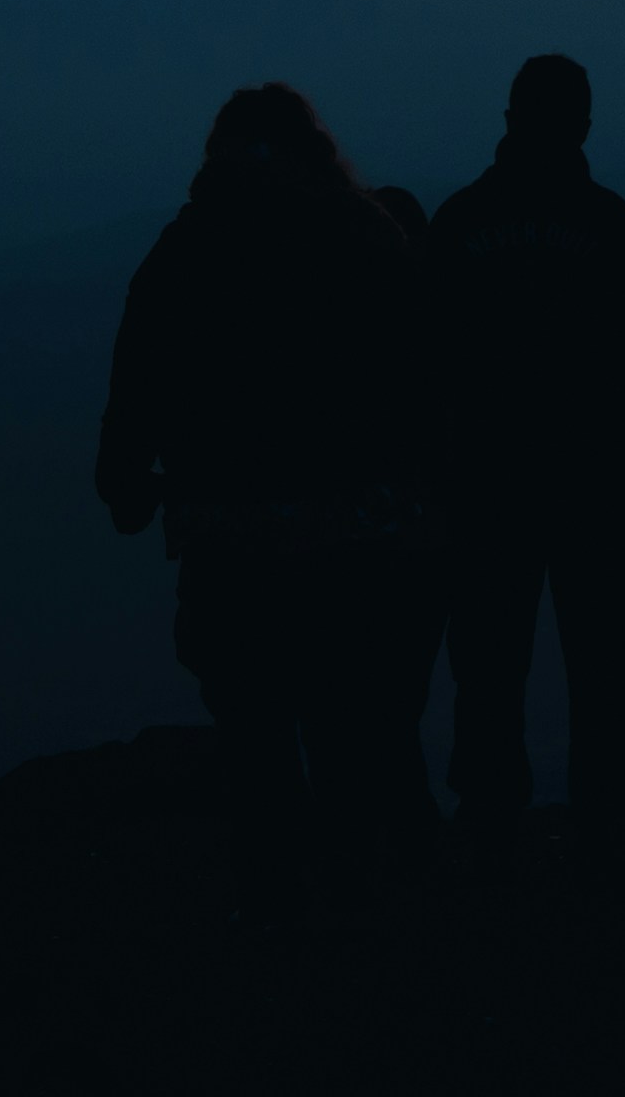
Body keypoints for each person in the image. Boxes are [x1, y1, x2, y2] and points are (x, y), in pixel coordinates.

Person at [93, 82, 434, 871]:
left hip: (231, 544)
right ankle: (376, 918)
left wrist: (124, 483)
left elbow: (135, 383)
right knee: (355, 738)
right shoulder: (366, 235)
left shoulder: (186, 249)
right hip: (364, 544)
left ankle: (284, 911)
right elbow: (426, 373)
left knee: (256, 738)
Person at [425, 52, 625, 836]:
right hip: (595, 480)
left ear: (508, 120)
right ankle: (609, 808)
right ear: (585, 125)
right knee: (607, 658)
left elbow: (420, 354)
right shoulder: (614, 224)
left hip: (484, 483)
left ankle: (490, 813)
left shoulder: (461, 221)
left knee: (489, 656)